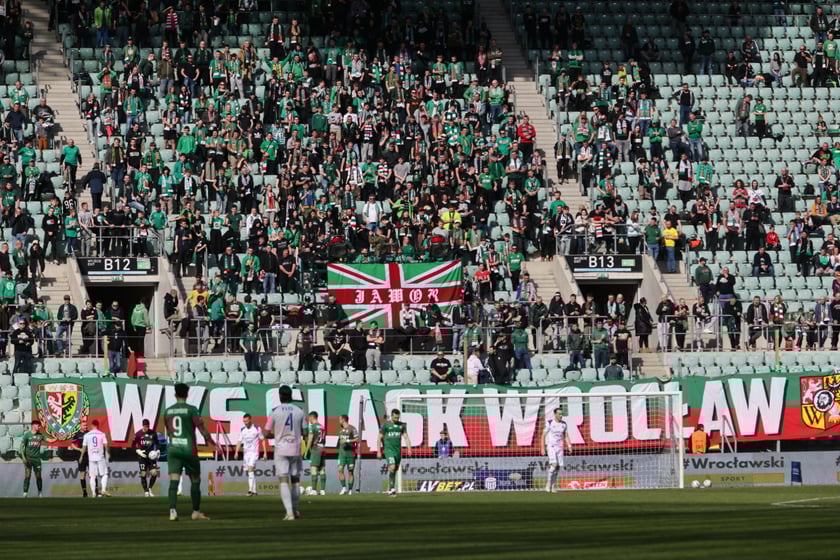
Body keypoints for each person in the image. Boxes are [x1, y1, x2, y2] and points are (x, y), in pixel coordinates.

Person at [164, 382, 215, 521]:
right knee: (195, 480)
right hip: (188, 450)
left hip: (173, 449)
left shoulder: (168, 411)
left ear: (175, 395)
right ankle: (195, 512)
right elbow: (202, 429)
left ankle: (173, 511)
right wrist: (212, 442)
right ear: (187, 394)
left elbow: (169, 432)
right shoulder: (192, 410)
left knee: (174, 480)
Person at [264, 385, 306, 520]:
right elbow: (305, 432)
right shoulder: (300, 411)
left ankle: (289, 513)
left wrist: (275, 435)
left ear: (280, 396)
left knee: (283, 480)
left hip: (281, 448)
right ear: (291, 395)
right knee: (295, 480)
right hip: (295, 448)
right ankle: (295, 510)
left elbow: (266, 433)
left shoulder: (275, 411)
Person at [378, 409, 412, 496]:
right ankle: (392, 489)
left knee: (394, 470)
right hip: (388, 449)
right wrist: (379, 451)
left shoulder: (401, 426)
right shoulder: (385, 425)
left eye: (398, 417)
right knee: (392, 467)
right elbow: (379, 438)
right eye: (395, 417)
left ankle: (391, 487)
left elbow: (406, 437)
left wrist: (409, 449)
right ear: (391, 416)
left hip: (398, 451)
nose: (396, 419)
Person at [234, 413, 266, 497]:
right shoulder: (242, 430)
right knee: (250, 472)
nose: (245, 423)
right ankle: (255, 491)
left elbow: (262, 440)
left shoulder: (257, 428)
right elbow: (239, 441)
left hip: (254, 452)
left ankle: (250, 490)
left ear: (250, 420)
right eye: (244, 421)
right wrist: (236, 452)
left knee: (251, 469)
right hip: (246, 453)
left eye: (247, 421)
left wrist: (265, 453)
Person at [540, 408, 571, 493]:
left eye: (562, 414)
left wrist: (569, 445)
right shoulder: (549, 423)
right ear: (555, 414)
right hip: (551, 446)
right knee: (554, 464)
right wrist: (542, 448)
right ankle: (548, 484)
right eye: (559, 414)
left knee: (557, 468)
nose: (561, 415)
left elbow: (566, 436)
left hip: (560, 448)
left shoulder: (564, 424)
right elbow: (543, 436)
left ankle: (553, 486)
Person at [81, 419, 110, 498]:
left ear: (92, 425)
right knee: (104, 474)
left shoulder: (87, 435)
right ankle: (103, 489)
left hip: (91, 458)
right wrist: (108, 453)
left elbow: (84, 447)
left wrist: (81, 456)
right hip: (100, 456)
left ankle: (93, 493)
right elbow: (106, 445)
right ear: (98, 425)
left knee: (92, 476)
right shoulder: (102, 434)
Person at [132, 418, 160, 497]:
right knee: (143, 474)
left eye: (147, 426)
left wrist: (158, 451)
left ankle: (150, 488)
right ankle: (146, 491)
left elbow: (157, 443)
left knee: (154, 473)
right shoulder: (138, 434)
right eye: (145, 426)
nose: (146, 428)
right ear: (143, 426)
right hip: (142, 456)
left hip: (151, 456)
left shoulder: (153, 433)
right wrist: (138, 451)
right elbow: (133, 444)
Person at [21, 420, 46, 498]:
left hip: (37, 459)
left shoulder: (40, 435)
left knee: (38, 476)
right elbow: (22, 447)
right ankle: (25, 493)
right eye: (38, 425)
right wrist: (23, 458)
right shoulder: (27, 435)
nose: (39, 427)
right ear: (33, 425)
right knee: (27, 476)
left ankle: (40, 492)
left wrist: (57, 439)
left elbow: (49, 440)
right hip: (28, 458)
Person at [303, 412, 326, 496]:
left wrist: (306, 451)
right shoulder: (322, 426)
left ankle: (314, 490)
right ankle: (323, 490)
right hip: (323, 448)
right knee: (322, 469)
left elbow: (310, 439)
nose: (308, 420)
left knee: (313, 469)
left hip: (316, 449)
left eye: (309, 418)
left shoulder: (312, 427)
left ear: (312, 417)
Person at [69, 420, 91, 497]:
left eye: (86, 425)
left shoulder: (89, 433)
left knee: (93, 474)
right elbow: (72, 445)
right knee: (82, 474)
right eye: (84, 425)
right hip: (81, 456)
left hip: (90, 456)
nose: (86, 427)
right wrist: (79, 449)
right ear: (80, 426)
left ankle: (96, 492)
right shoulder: (77, 434)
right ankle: (84, 492)